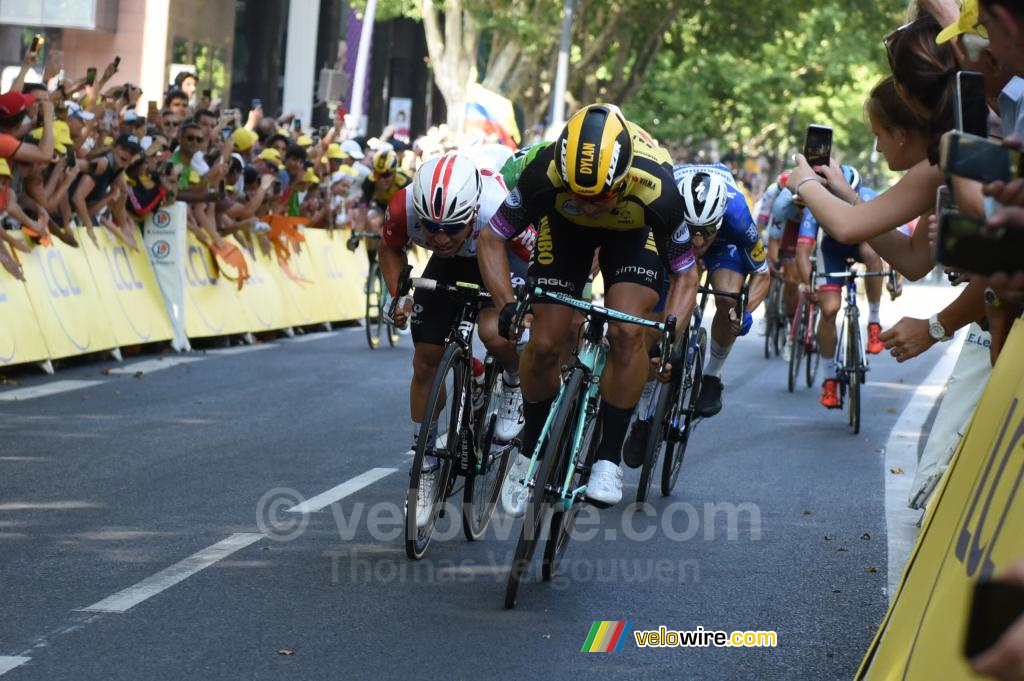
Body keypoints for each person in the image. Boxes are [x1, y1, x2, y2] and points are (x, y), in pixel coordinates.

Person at [478, 103, 698, 509]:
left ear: (624, 177)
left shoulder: (658, 186)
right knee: (545, 342)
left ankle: (608, 460)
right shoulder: (544, 171)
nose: (591, 206)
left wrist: (670, 337)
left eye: (601, 196)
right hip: (565, 231)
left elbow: (686, 275)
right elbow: (491, 238)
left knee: (628, 332)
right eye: (580, 195)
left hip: (634, 235)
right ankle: (532, 448)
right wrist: (506, 304)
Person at [378, 153, 534, 525]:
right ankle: (425, 464)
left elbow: (537, 259)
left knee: (493, 330)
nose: (440, 237)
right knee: (425, 362)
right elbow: (389, 248)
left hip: (500, 254)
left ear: (473, 212)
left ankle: (512, 379)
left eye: (451, 227)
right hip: (449, 266)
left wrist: (522, 308)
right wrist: (398, 295)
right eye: (430, 227)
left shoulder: (498, 206)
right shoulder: (402, 207)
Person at [674, 165, 771, 418]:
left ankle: (712, 375)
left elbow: (762, 274)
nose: (698, 241)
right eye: (693, 232)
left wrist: (743, 311)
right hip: (675, 229)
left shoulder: (738, 216)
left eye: (707, 231)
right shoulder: (668, 200)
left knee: (728, 298)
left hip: (724, 241)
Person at [812, 166, 893, 408]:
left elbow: (889, 242)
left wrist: (893, 278)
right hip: (831, 250)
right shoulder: (816, 202)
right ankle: (829, 379)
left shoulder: (869, 198)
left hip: (862, 243)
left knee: (871, 250)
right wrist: (807, 283)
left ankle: (874, 322)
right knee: (829, 311)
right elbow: (804, 247)